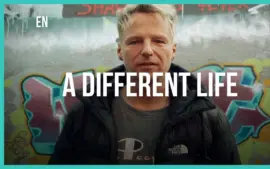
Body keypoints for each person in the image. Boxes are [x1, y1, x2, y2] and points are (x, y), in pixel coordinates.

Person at [48, 4, 241, 164]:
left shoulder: (207, 118)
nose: (147, 50)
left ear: (173, 50)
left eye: (158, 40)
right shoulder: (83, 115)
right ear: (119, 50)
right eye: (135, 41)